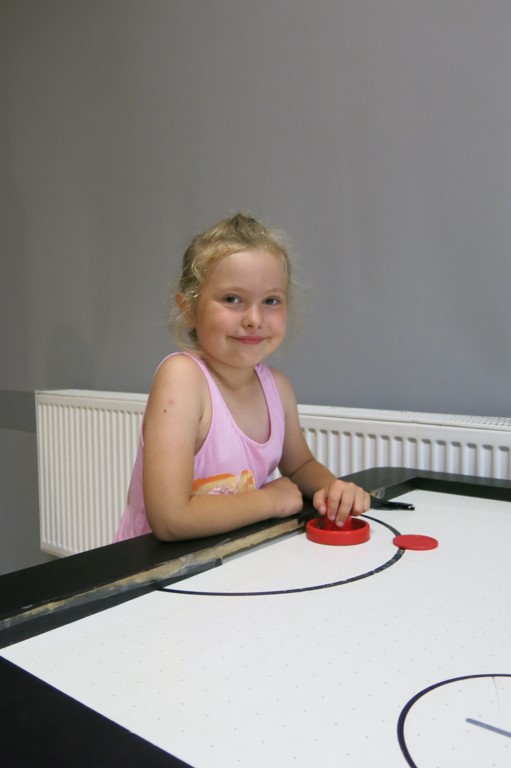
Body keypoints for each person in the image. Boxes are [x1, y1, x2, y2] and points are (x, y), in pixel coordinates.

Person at [114, 213, 369, 542]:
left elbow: (300, 465)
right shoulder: (182, 379)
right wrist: (269, 501)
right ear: (188, 309)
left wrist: (333, 489)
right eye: (232, 299)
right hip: (157, 569)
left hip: (233, 560)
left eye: (271, 301)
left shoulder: (277, 388)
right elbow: (170, 519)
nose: (254, 319)